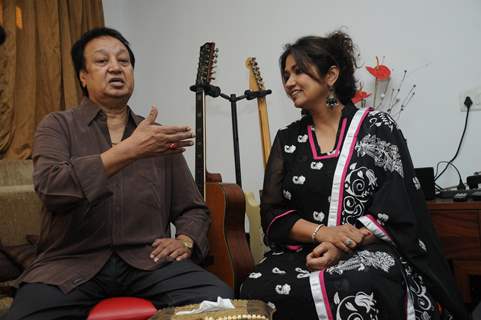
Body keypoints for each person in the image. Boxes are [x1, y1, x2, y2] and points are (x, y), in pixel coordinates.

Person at [5, 27, 233, 320]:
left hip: (148, 260)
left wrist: (186, 240)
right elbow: (52, 188)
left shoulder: (157, 137)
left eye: (124, 61)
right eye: (102, 61)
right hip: (70, 263)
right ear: (83, 77)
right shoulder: (57, 126)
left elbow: (192, 208)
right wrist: (131, 150)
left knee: (220, 300)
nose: (115, 67)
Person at [240, 31, 468, 319]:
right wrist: (323, 233)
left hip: (367, 249)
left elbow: (397, 208)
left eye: (298, 72)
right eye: (286, 75)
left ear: (331, 75)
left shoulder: (376, 127)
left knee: (355, 282)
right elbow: (273, 214)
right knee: (256, 289)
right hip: (303, 251)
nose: (289, 83)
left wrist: (342, 243)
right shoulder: (288, 139)